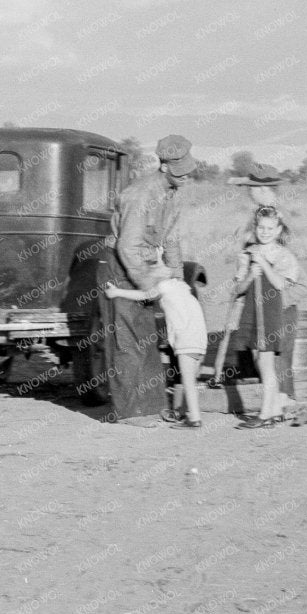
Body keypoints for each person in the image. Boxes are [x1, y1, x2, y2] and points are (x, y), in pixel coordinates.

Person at [100, 134, 205, 426]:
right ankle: (129, 413)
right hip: (122, 268)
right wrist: (152, 286)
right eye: (180, 170)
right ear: (164, 166)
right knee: (127, 340)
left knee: (146, 339)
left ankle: (149, 407)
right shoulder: (141, 194)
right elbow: (127, 247)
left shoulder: (173, 193)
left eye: (187, 169)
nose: (186, 176)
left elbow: (171, 238)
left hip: (145, 268)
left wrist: (178, 279)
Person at [234, 205, 305, 426]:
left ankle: (265, 415)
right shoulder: (247, 253)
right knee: (258, 359)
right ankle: (273, 409)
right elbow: (238, 289)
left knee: (266, 362)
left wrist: (264, 264)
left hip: (270, 312)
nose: (265, 232)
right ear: (255, 228)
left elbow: (280, 284)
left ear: (278, 230)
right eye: (261, 228)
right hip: (251, 312)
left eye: (270, 228)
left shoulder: (283, 255)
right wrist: (249, 275)